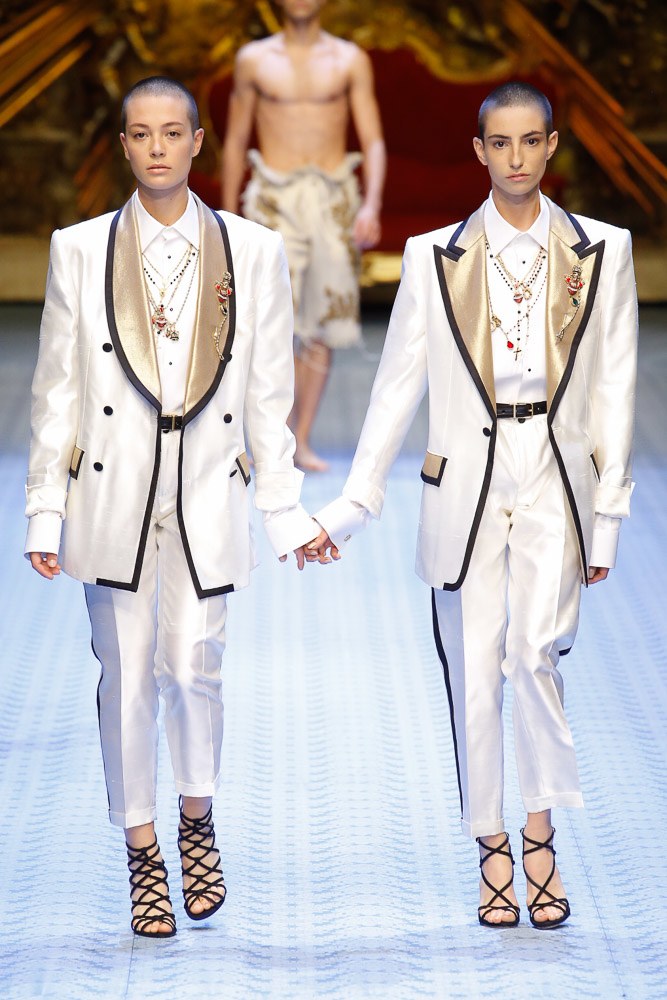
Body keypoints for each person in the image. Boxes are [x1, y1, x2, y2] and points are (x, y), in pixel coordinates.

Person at [309, 82, 638, 928]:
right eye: (500, 143)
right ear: (479, 150)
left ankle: (540, 835)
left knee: (533, 654)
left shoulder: (603, 250)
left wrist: (606, 520)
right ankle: (491, 843)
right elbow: (396, 386)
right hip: (465, 484)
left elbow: (614, 388)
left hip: (554, 475)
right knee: (472, 672)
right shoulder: (431, 256)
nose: (516, 157)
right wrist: (355, 502)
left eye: (530, 141)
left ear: (551, 145)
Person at [25, 76, 323, 938]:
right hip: (110, 488)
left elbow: (267, 395)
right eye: (140, 134)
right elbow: (57, 390)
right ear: (123, 144)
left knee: (194, 668)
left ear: (198, 141)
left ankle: (196, 816)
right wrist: (45, 511)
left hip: (206, 489)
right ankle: (142, 849)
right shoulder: (79, 248)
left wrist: (284, 512)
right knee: (125, 677)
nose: (156, 147)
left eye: (171, 133)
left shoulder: (253, 250)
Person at [221, 0, 386, 472]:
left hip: (332, 197)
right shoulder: (254, 59)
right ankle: (268, 438)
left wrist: (372, 204)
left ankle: (300, 438)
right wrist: (227, 217)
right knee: (271, 322)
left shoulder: (349, 59)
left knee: (325, 321)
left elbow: (372, 138)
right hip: (273, 197)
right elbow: (235, 139)